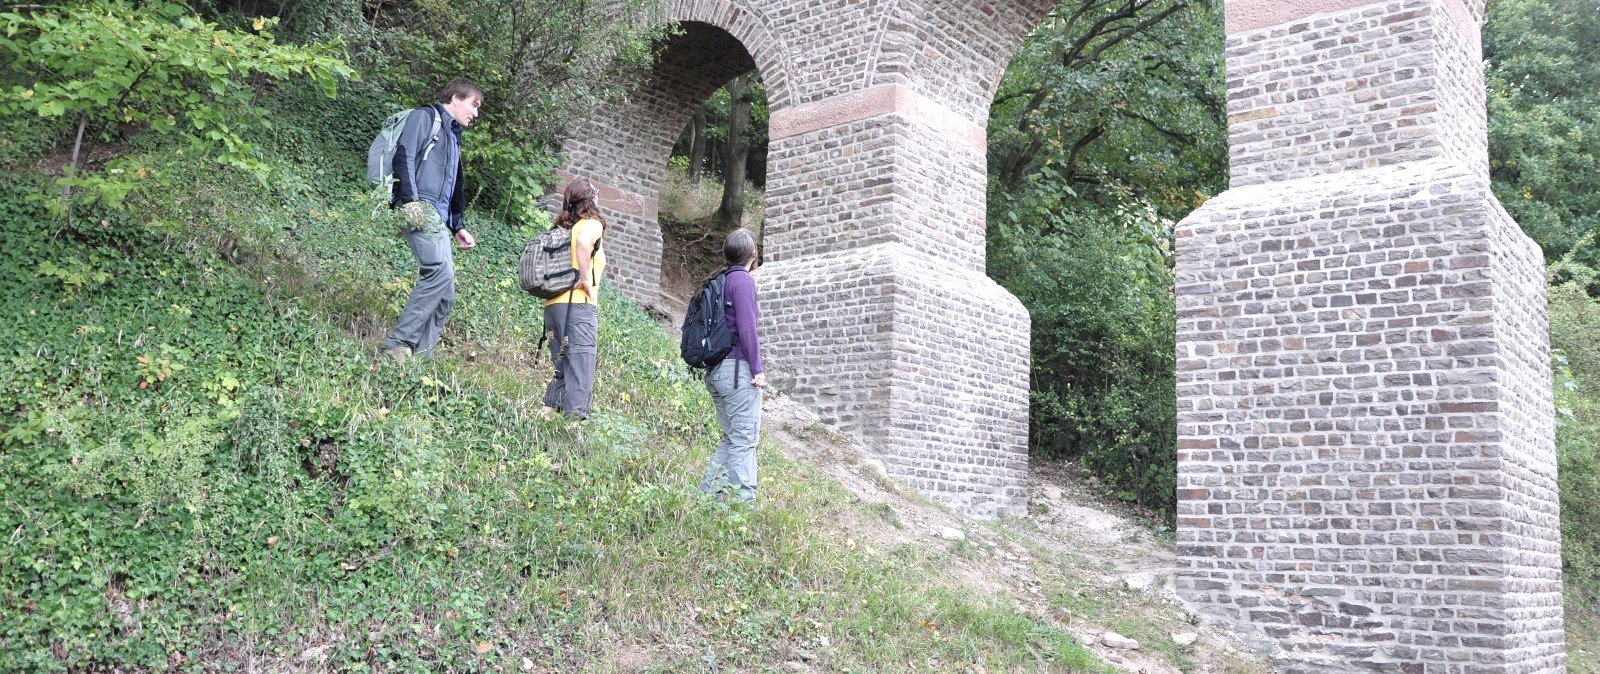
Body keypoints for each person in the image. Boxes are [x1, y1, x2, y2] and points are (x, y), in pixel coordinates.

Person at [380, 78, 482, 361]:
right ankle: (398, 345)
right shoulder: (424, 117)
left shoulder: (452, 136)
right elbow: (405, 155)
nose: (476, 113)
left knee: (446, 291)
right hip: (418, 206)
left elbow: (450, 185)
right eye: (474, 105)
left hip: (437, 216)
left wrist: (458, 226)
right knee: (439, 270)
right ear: (455, 97)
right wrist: (409, 199)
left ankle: (421, 358)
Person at [699, 229, 766, 504]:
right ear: (753, 254)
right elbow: (747, 327)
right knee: (745, 440)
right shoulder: (743, 281)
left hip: (715, 371)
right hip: (737, 372)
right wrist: (758, 368)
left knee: (731, 438)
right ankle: (742, 505)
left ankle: (707, 497)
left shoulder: (718, 279)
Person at [539, 179, 608, 420]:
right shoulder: (590, 224)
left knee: (562, 367)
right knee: (581, 366)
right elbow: (583, 243)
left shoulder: (567, 228)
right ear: (591, 198)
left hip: (554, 307)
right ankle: (574, 428)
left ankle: (545, 417)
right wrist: (586, 279)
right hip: (577, 306)